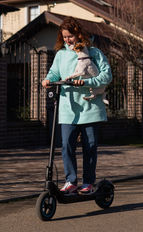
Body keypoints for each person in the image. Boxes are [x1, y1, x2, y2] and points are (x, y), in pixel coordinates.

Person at [42, 16, 112, 195]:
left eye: (70, 36)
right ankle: (71, 181)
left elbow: (106, 76)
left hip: (90, 108)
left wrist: (89, 83)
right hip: (68, 109)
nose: (67, 40)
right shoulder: (61, 55)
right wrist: (49, 79)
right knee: (66, 145)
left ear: (78, 34)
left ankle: (88, 182)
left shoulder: (94, 53)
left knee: (90, 146)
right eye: (64, 37)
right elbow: (54, 72)